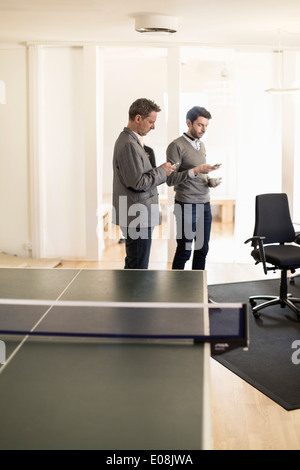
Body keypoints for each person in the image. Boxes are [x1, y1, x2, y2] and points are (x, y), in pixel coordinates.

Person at [113, 98, 175, 269]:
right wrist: (162, 170)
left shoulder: (131, 141)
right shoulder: (129, 145)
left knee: (135, 264)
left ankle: (130, 295)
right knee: (138, 267)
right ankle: (132, 296)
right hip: (137, 217)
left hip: (138, 215)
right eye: (151, 122)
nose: (153, 127)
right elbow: (138, 182)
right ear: (138, 118)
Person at [166, 106, 222, 270]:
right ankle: (176, 290)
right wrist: (197, 170)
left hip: (204, 204)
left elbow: (198, 175)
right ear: (189, 122)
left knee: (202, 250)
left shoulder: (201, 145)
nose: (204, 129)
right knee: (184, 251)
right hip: (186, 205)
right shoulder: (176, 146)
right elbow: (170, 179)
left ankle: (197, 291)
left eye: (206, 126)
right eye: (200, 125)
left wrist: (209, 180)